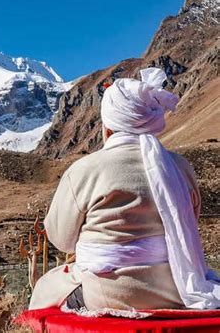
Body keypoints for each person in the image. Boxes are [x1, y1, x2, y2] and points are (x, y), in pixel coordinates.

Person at [29, 68, 220, 311]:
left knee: (47, 287)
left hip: (109, 292)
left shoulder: (85, 170)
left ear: (107, 128)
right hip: (177, 288)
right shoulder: (180, 168)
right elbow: (189, 222)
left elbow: (61, 239)